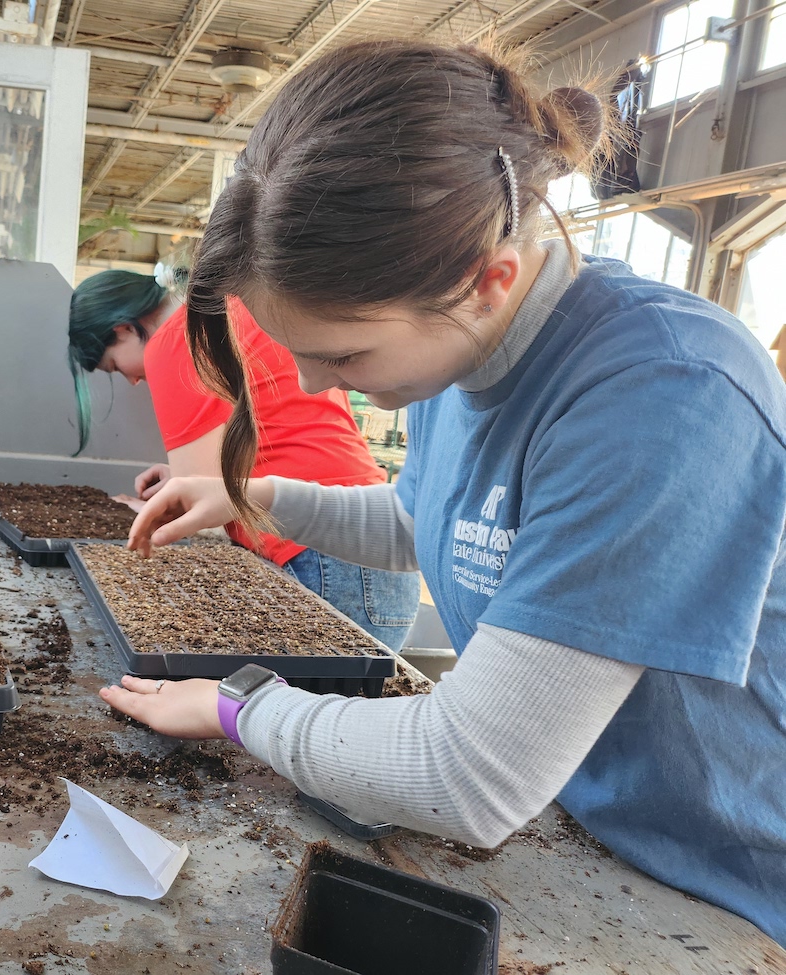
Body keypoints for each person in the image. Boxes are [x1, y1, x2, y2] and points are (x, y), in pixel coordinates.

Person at [101, 39, 786, 947]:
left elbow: (471, 773)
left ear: (486, 278)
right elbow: (427, 523)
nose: (312, 386)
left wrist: (238, 705)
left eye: (344, 355)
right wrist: (256, 496)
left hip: (734, 889)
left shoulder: (664, 392)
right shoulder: (457, 362)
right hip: (588, 831)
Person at [68, 266, 420, 650]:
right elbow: (274, 430)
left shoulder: (177, 337)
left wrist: (136, 509)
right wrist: (177, 476)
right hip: (373, 548)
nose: (132, 380)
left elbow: (194, 513)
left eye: (115, 366)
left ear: (123, 329)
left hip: (320, 559)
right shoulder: (235, 311)